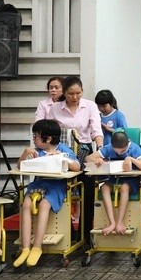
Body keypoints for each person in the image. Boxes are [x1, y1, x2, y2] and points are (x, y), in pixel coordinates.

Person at [14, 120, 80, 267]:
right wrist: (25, 153)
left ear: (48, 138)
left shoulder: (63, 149)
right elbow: (19, 166)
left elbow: (77, 167)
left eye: (36, 136)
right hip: (39, 183)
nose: (33, 139)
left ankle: (37, 247)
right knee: (26, 204)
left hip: (57, 185)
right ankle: (25, 248)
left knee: (44, 205)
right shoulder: (36, 151)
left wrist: (63, 158)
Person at [48, 75, 103, 244]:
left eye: (78, 93)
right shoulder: (55, 108)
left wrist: (100, 149)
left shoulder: (90, 106)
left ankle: (85, 233)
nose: (75, 97)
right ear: (64, 93)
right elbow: (49, 131)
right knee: (62, 190)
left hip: (84, 151)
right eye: (71, 94)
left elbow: (96, 130)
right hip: (61, 153)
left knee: (88, 190)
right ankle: (68, 231)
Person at [85, 131, 141, 235]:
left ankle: (120, 222)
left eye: (122, 151)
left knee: (124, 188)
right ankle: (112, 222)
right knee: (104, 187)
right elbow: (88, 158)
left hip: (131, 180)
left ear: (128, 143)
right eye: (116, 151)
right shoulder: (109, 148)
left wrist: (130, 159)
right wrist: (98, 160)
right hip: (114, 179)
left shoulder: (134, 148)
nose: (119, 153)